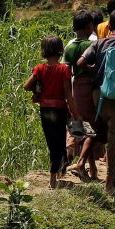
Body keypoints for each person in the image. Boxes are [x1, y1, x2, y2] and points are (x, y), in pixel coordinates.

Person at [78, 9, 115, 188]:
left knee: (99, 131)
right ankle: (110, 182)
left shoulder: (98, 43)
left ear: (109, 26)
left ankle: (94, 168)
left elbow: (80, 63)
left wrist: (94, 69)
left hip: (98, 94)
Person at [24, 36, 75, 188]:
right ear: (60, 50)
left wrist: (37, 90)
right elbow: (68, 94)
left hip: (45, 110)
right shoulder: (64, 69)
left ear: (44, 51)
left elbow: (26, 86)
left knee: (52, 142)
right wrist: (75, 112)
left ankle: (58, 171)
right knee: (59, 142)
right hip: (59, 110)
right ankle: (53, 179)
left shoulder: (40, 69)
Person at [63, 10, 98, 180]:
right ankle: (81, 163)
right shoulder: (92, 45)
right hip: (89, 88)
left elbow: (66, 72)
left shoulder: (69, 47)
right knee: (92, 130)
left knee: (83, 127)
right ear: (89, 27)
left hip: (75, 87)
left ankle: (91, 169)